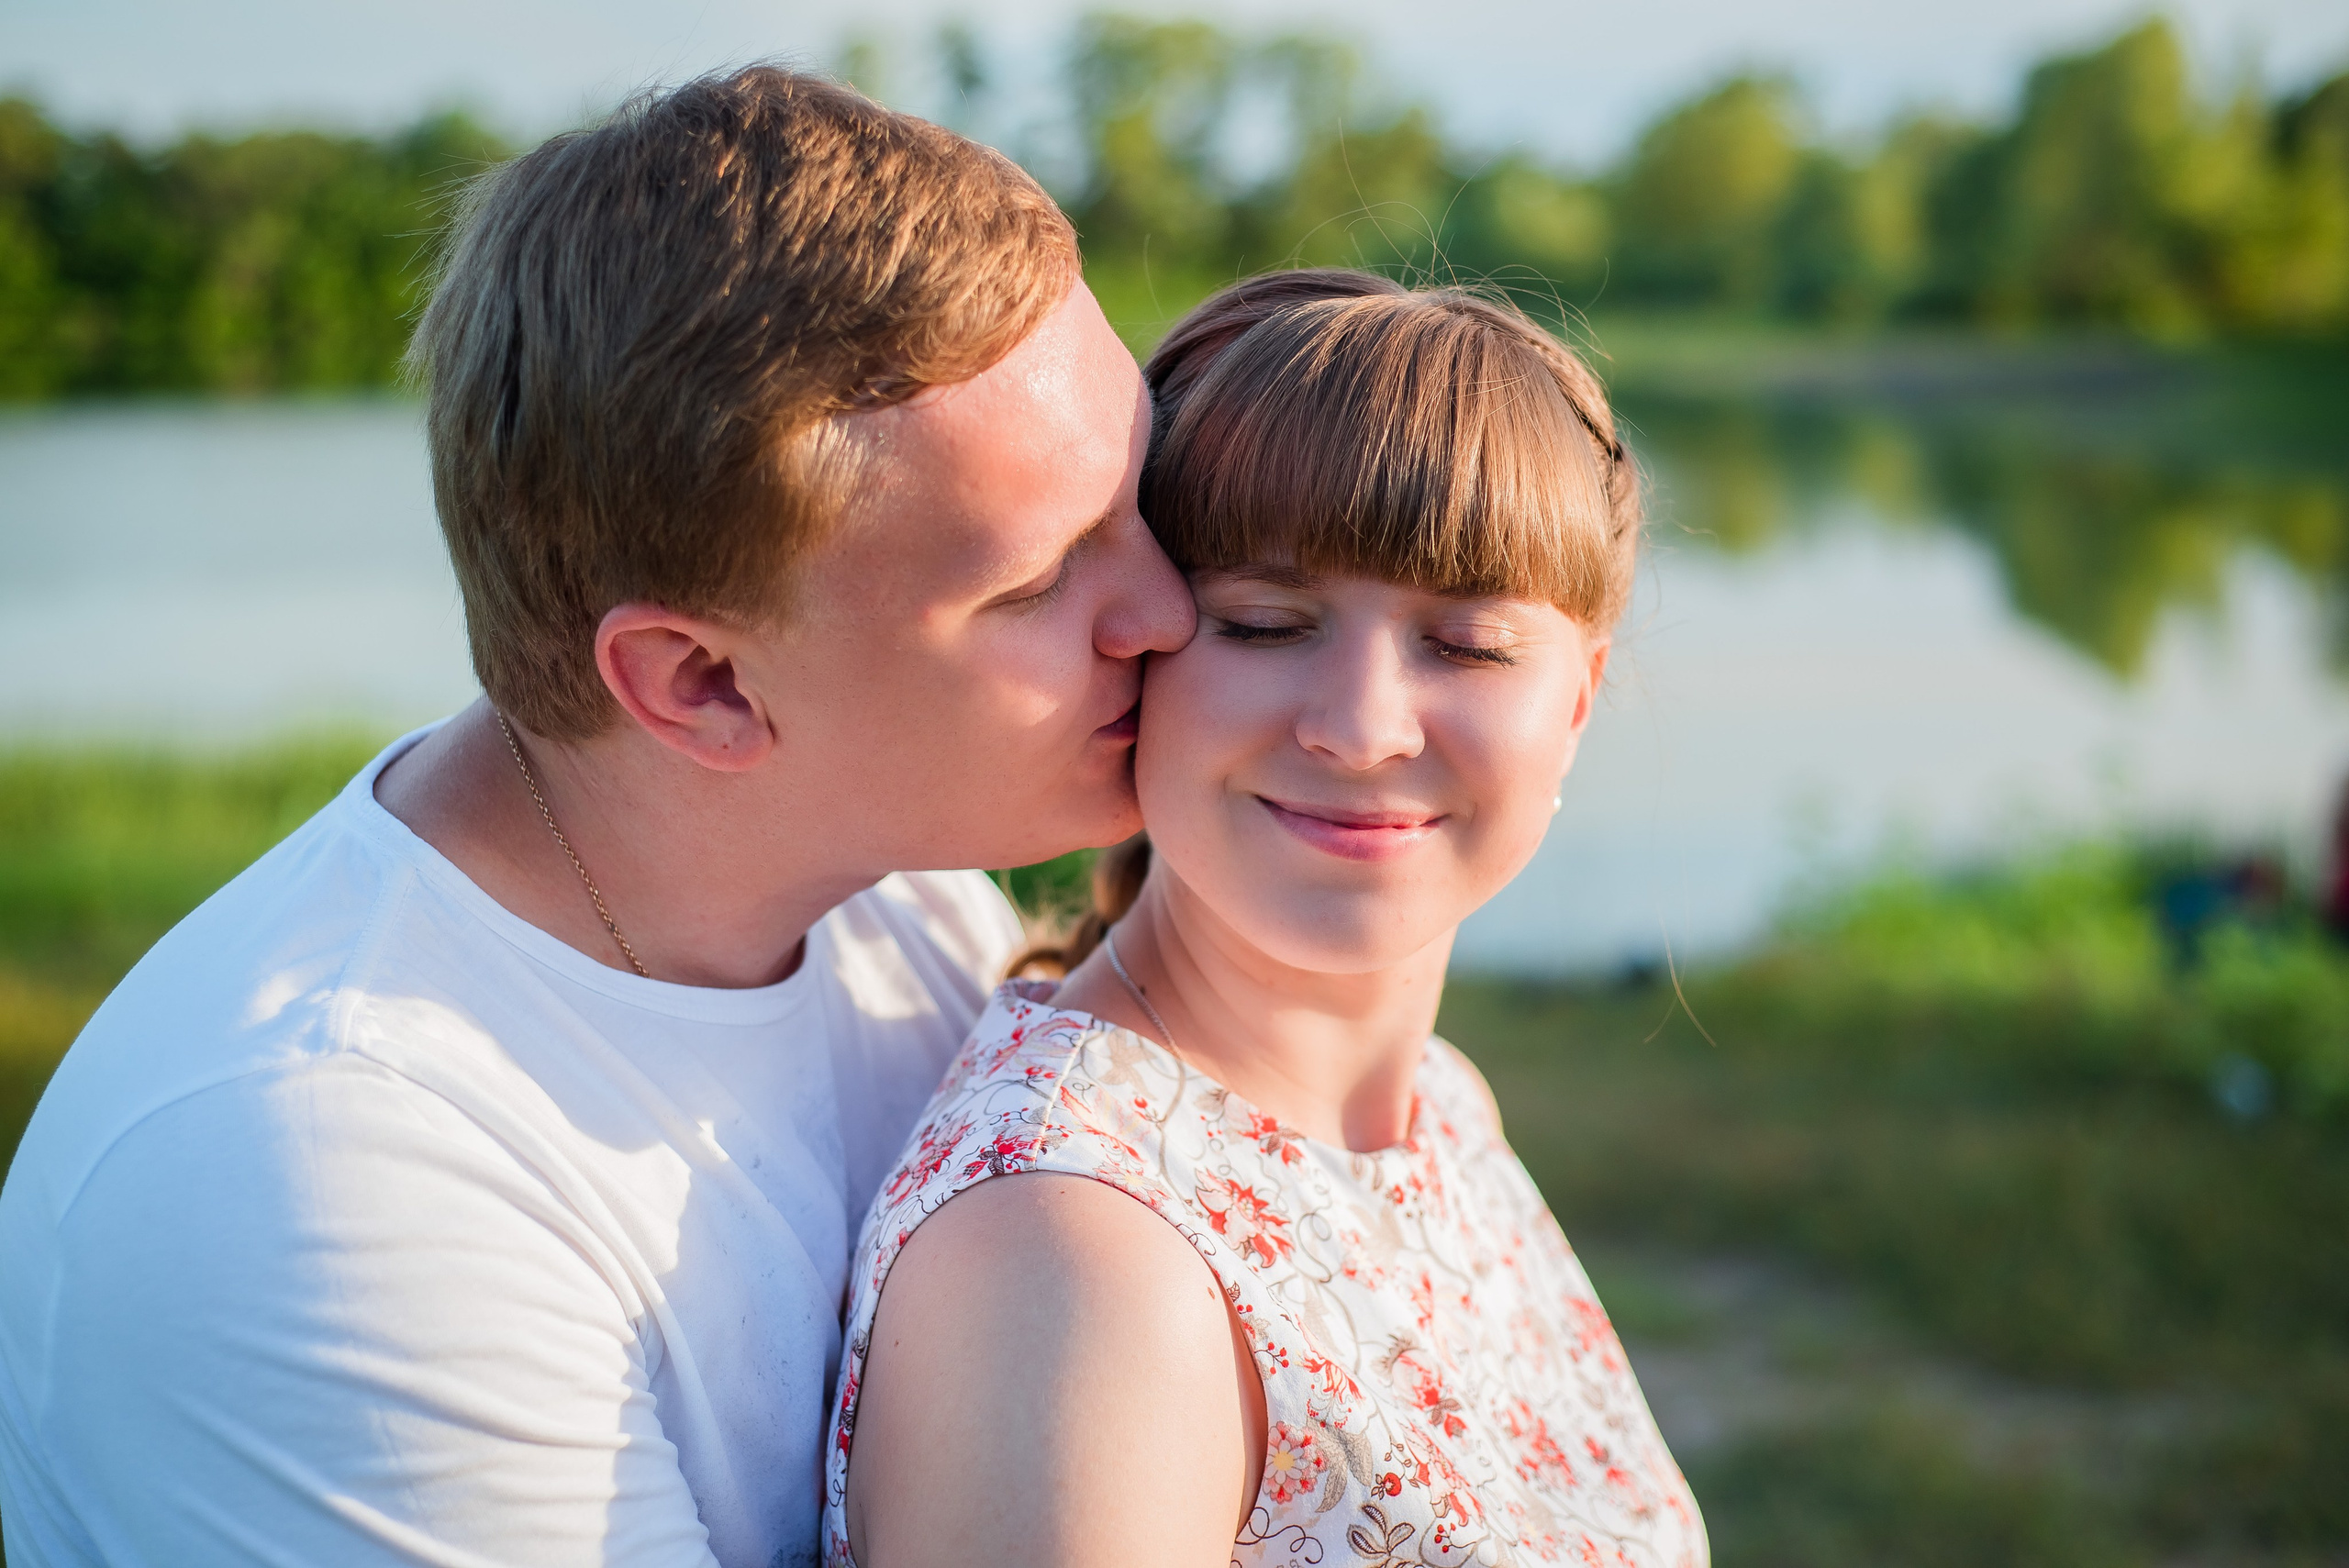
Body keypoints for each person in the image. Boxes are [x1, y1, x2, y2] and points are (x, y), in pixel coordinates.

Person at [0, 69, 1191, 1568]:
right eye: (1039, 583)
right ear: (698, 684)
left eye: (1143, 494)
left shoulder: (901, 906)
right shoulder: (326, 1175)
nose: (1166, 607)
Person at [829, 271, 1707, 1567]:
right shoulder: (1076, 1258)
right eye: (1262, 623)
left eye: (1463, 645)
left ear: (1576, 698)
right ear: (1137, 655)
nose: (1359, 727)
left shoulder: (1439, 1114)